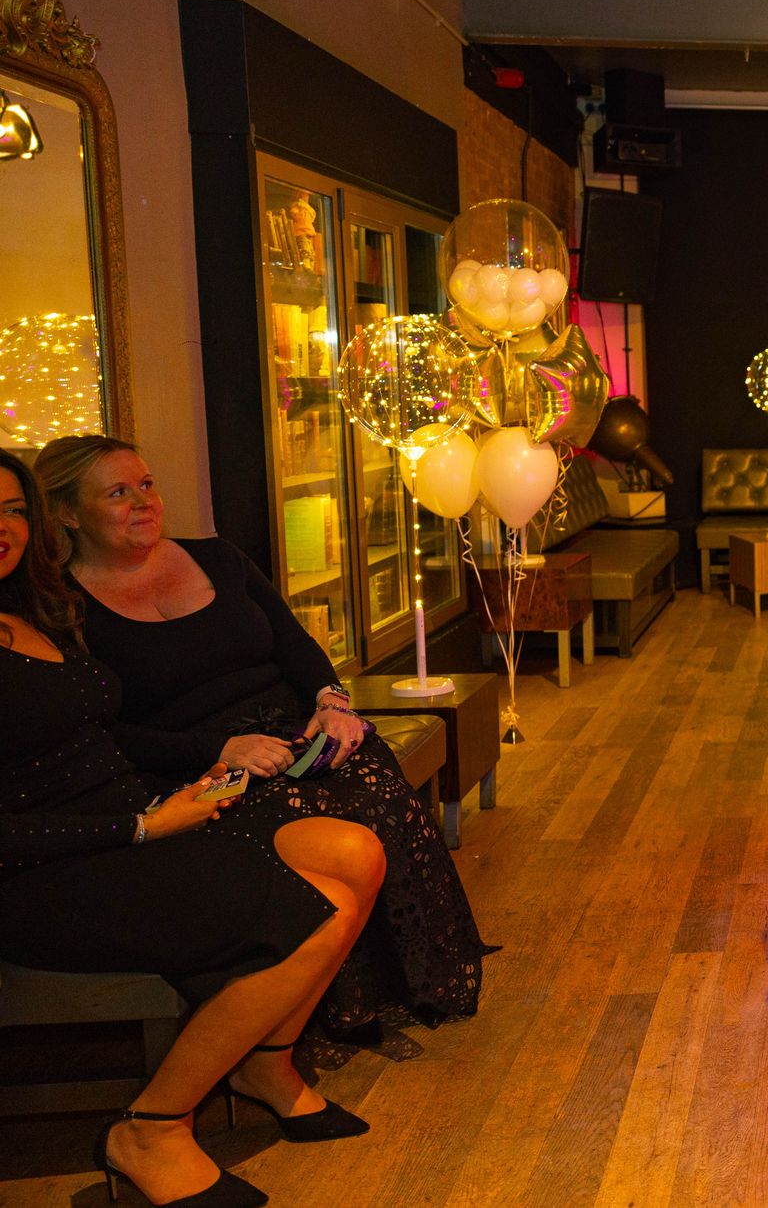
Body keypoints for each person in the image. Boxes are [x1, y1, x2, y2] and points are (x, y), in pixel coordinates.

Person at [0, 448, 385, 1208]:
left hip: (130, 822)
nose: (2, 528)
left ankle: (266, 1062)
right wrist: (141, 825)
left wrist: (190, 786)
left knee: (358, 852)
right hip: (47, 873)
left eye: (11, 510)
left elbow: (100, 734)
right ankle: (150, 1127)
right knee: (310, 912)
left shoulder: (31, 605)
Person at [34, 436, 490, 1034]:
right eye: (118, 493)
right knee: (321, 823)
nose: (144, 502)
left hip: (297, 729)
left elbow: (294, 643)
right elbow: (101, 730)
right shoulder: (62, 609)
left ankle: (409, 977)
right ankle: (326, 1004)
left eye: (147, 485)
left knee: (377, 791)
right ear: (68, 512)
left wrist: (332, 703)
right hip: (199, 765)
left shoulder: (216, 558)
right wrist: (217, 751)